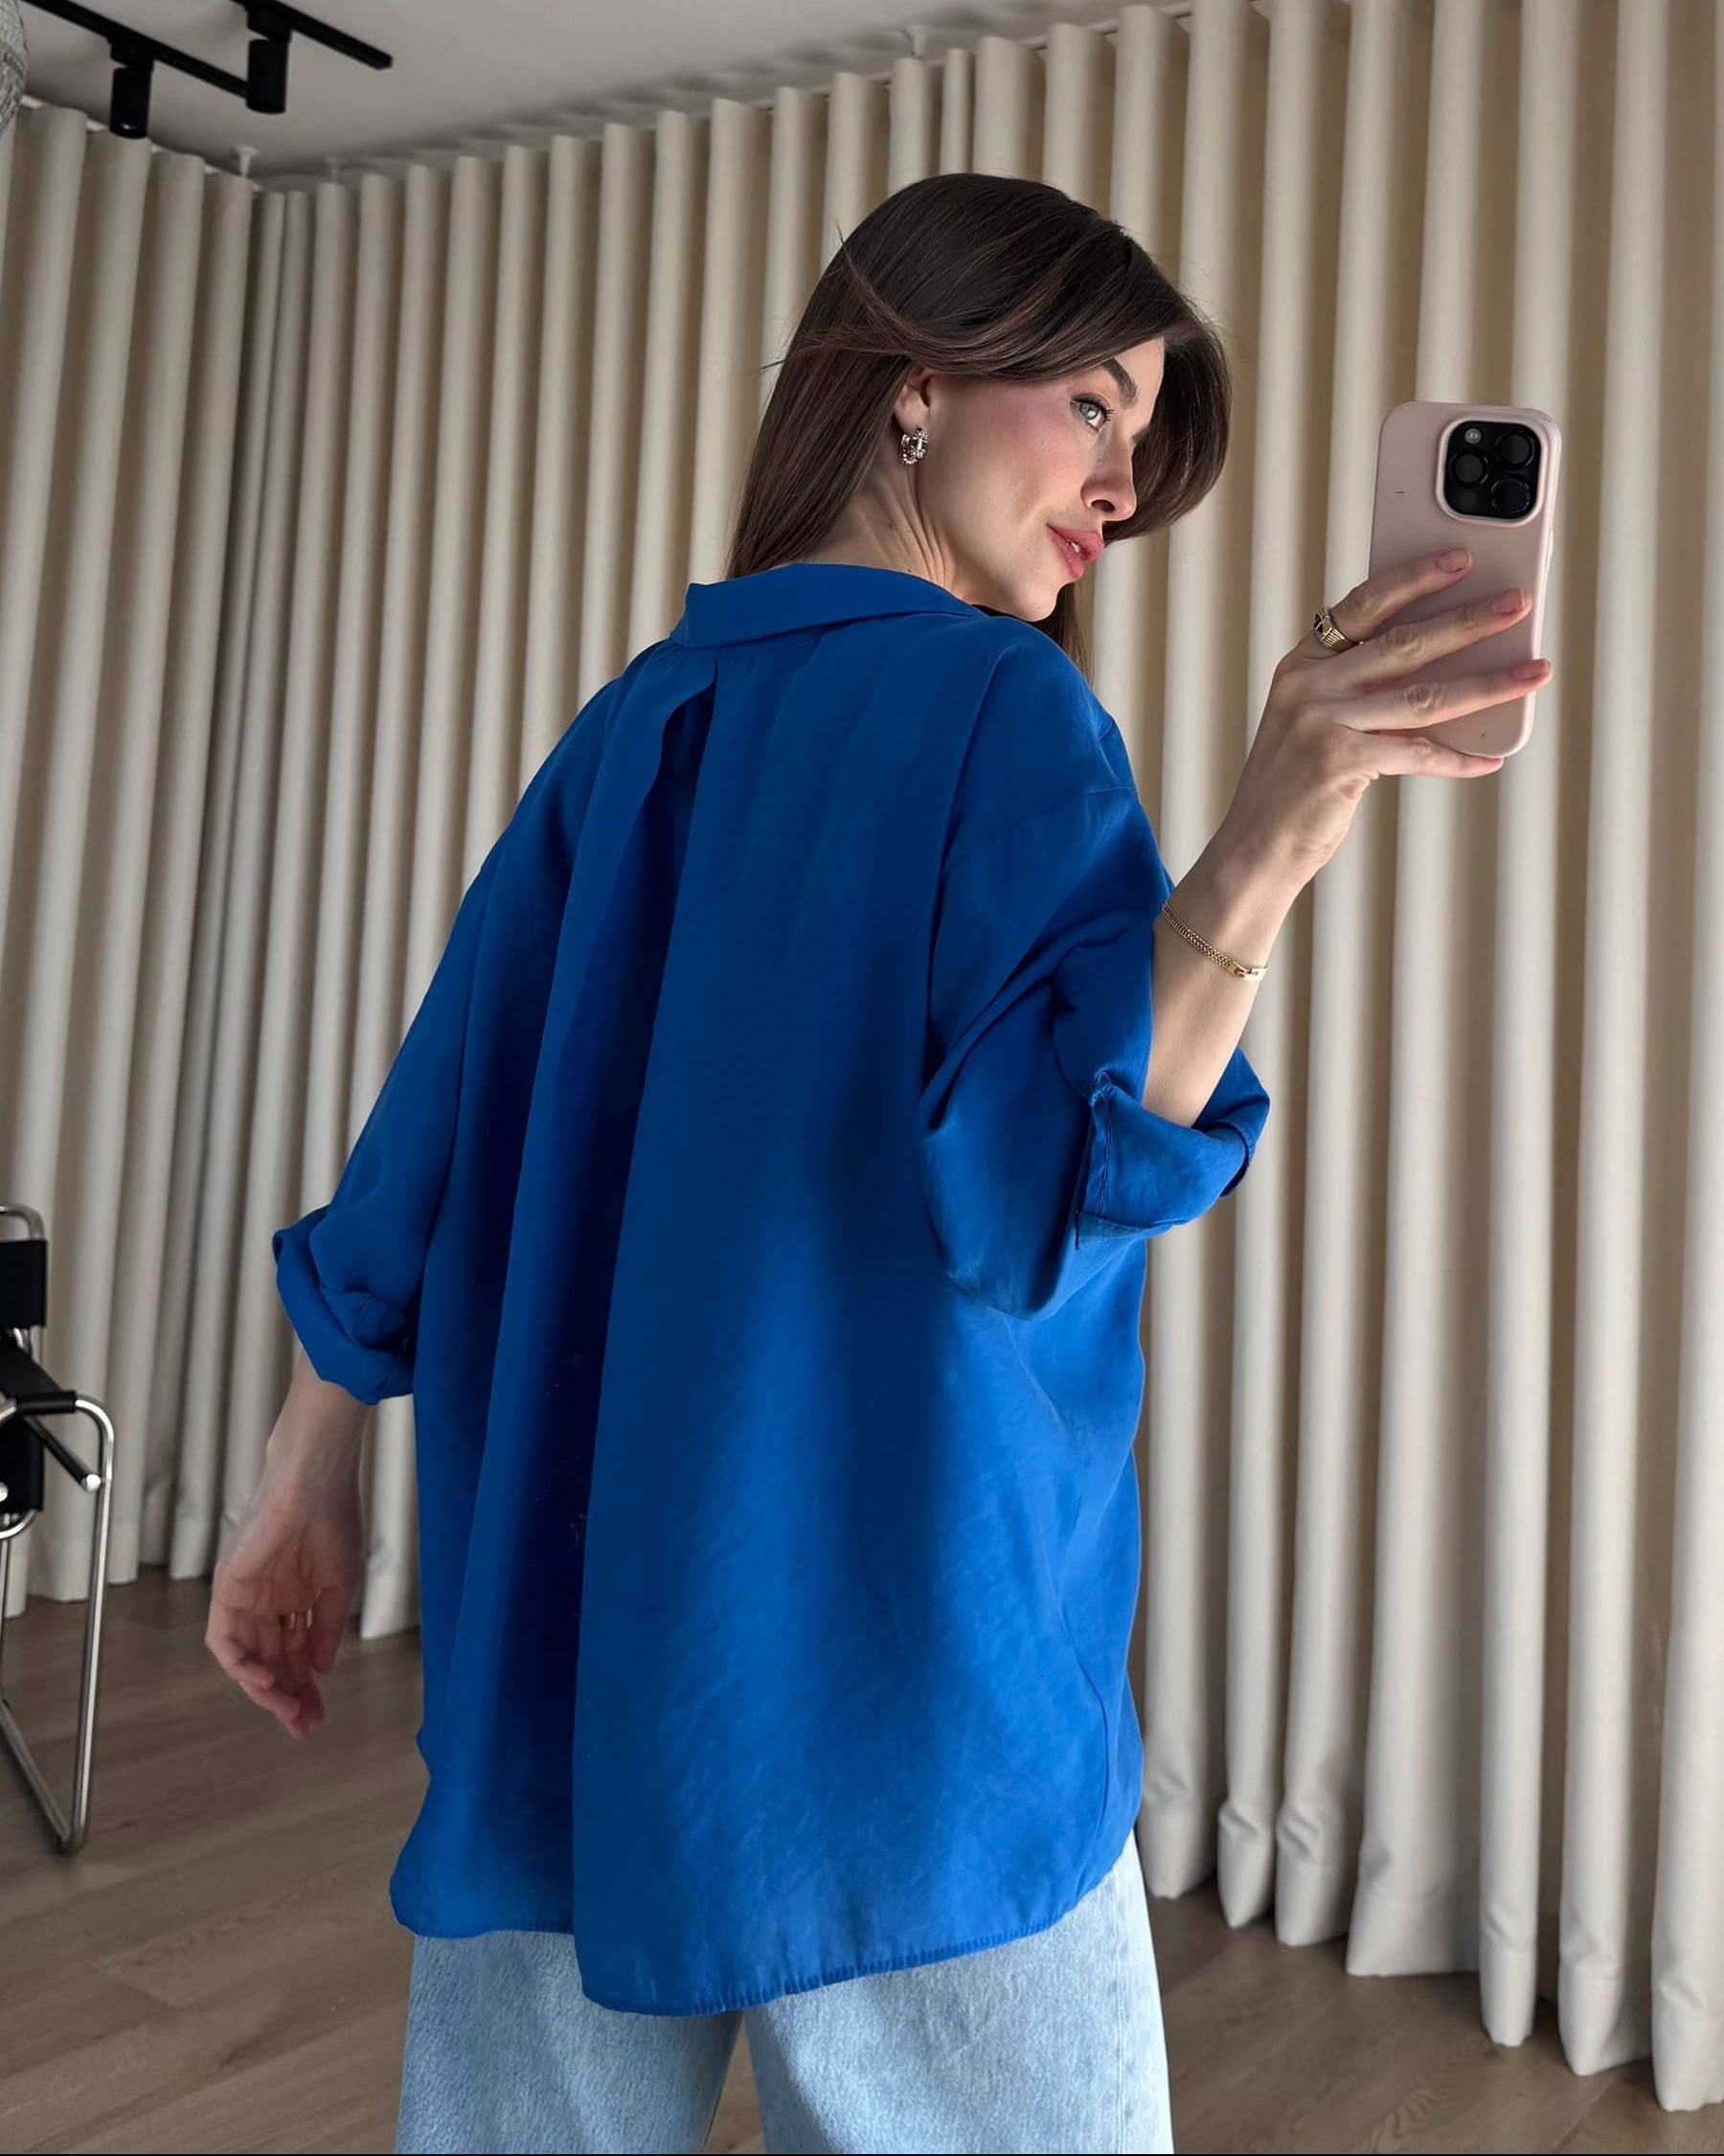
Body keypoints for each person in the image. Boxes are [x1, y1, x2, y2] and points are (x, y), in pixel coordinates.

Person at [204, 170, 1547, 2155]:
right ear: (918, 382)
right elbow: (1034, 1197)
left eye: (1138, 441)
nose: (1120, 490)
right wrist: (1278, 826)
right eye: (1091, 405)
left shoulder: (628, 725)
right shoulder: (1005, 711)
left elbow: (434, 1131)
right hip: (907, 1665)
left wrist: (299, 1478)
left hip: (570, 1646)